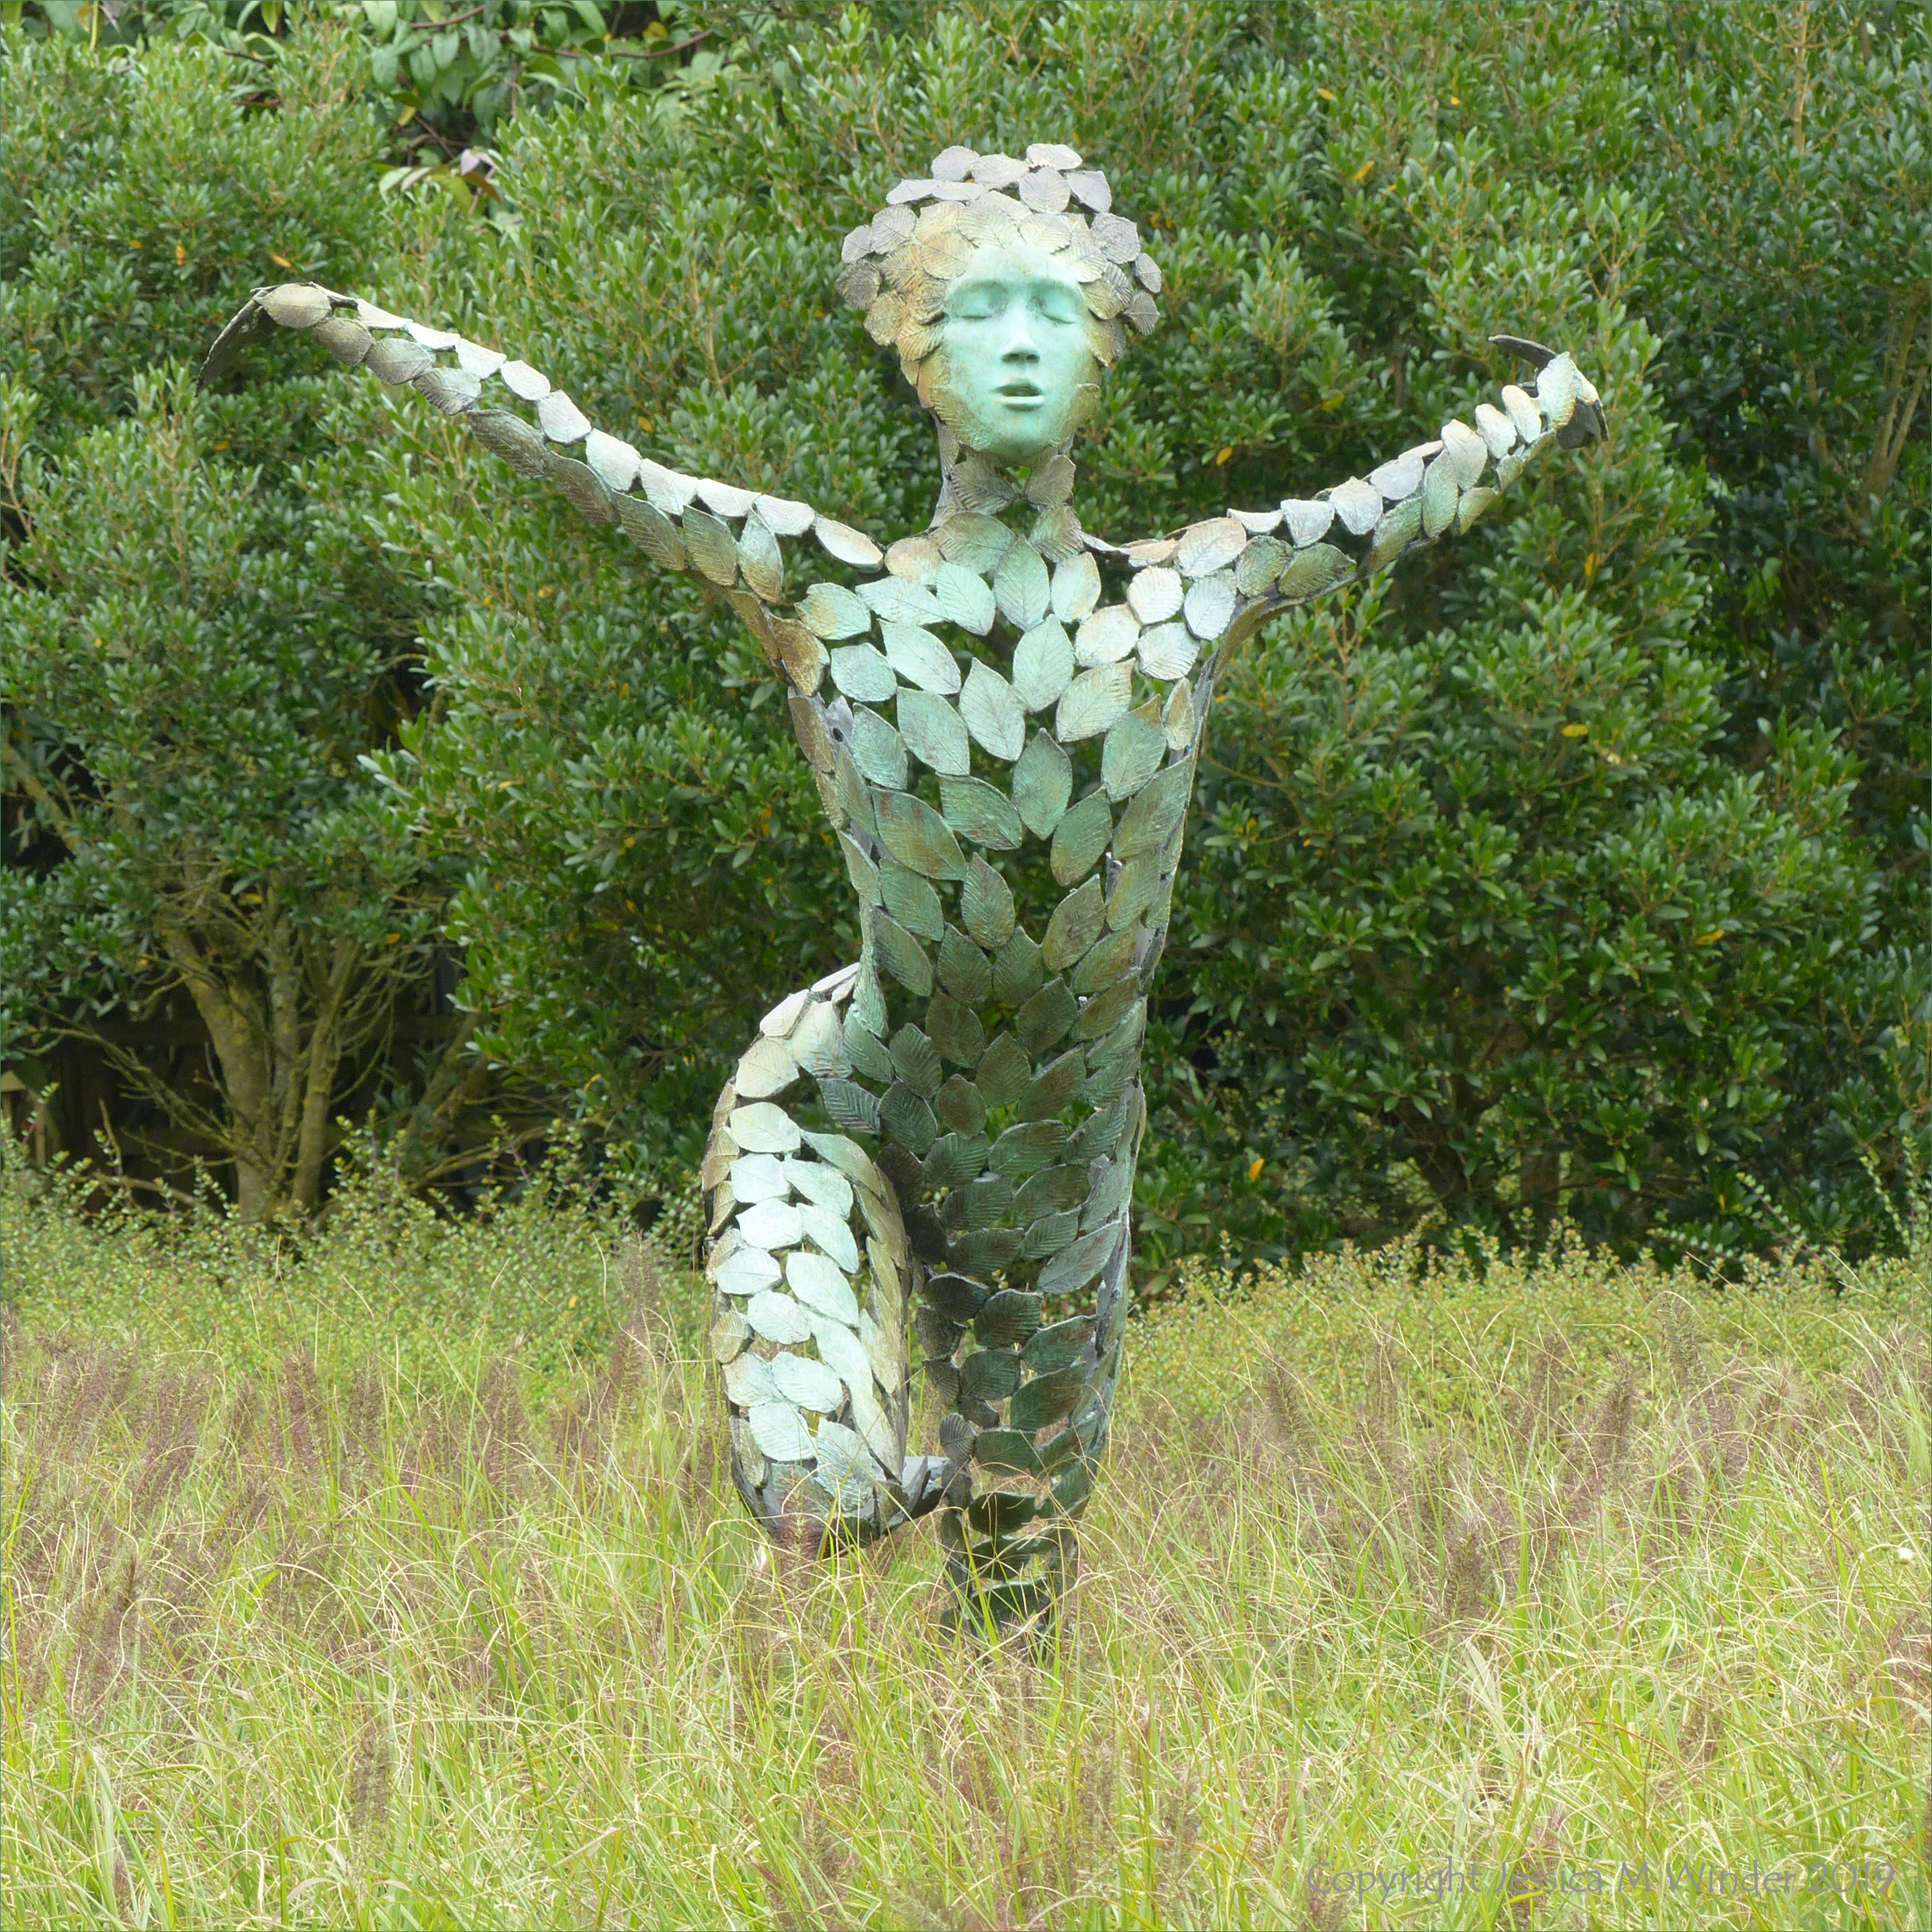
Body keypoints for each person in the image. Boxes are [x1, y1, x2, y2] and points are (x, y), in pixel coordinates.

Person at [204, 140, 1604, 1638]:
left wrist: (1545, 408)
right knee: (813, 1487)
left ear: (1104, 348)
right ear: (917, 348)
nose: (1019, 343)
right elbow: (583, 454)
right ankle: (859, 1486)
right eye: (980, 309)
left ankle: (981, 1714)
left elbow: (1399, 498)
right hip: (846, 1090)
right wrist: (338, 320)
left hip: (1063, 1165)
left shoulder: (1197, 588)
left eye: (1053, 310)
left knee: (1017, 1597)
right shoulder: (827, 588)